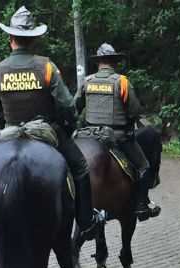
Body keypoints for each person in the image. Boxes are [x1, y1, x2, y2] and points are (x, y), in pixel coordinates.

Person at [0, 6, 104, 240]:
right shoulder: (47, 67)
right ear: (33, 41)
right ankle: (86, 220)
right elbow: (67, 105)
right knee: (80, 167)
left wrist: (5, 126)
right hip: (45, 131)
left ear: (11, 39)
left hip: (9, 132)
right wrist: (69, 125)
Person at [74, 43, 161, 222]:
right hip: (117, 138)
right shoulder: (121, 82)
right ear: (114, 62)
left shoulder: (88, 81)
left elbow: (75, 106)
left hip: (89, 136)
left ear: (99, 63)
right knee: (144, 166)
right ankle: (141, 205)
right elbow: (135, 110)